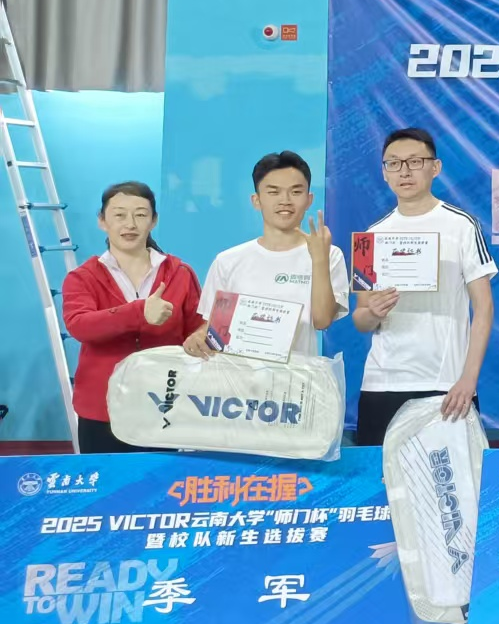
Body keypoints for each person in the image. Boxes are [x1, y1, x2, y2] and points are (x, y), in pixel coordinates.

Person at [350, 128, 497, 445]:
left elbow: (484, 308)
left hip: (446, 385)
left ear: (435, 167)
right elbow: (360, 319)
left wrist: (468, 379)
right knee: (378, 476)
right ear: (384, 173)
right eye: (393, 163)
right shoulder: (370, 237)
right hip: (381, 383)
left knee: (451, 476)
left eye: (415, 161)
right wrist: (373, 312)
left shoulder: (461, 225)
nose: (404, 171)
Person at [61, 182, 205, 453]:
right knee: (105, 479)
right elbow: (80, 325)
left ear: (154, 221)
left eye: (140, 214)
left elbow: (198, 326)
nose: (130, 224)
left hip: (165, 406)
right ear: (102, 221)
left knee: (161, 480)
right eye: (119, 215)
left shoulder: (180, 273)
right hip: (101, 410)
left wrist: (199, 337)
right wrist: (139, 312)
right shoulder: (82, 277)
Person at [184, 150, 349, 360]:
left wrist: (319, 259)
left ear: (309, 200)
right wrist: (198, 338)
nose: (285, 200)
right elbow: (213, 328)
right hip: (237, 377)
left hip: (297, 376)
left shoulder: (328, 254)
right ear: (256, 200)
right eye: (273, 192)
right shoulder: (227, 261)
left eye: (295, 192)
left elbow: (322, 320)